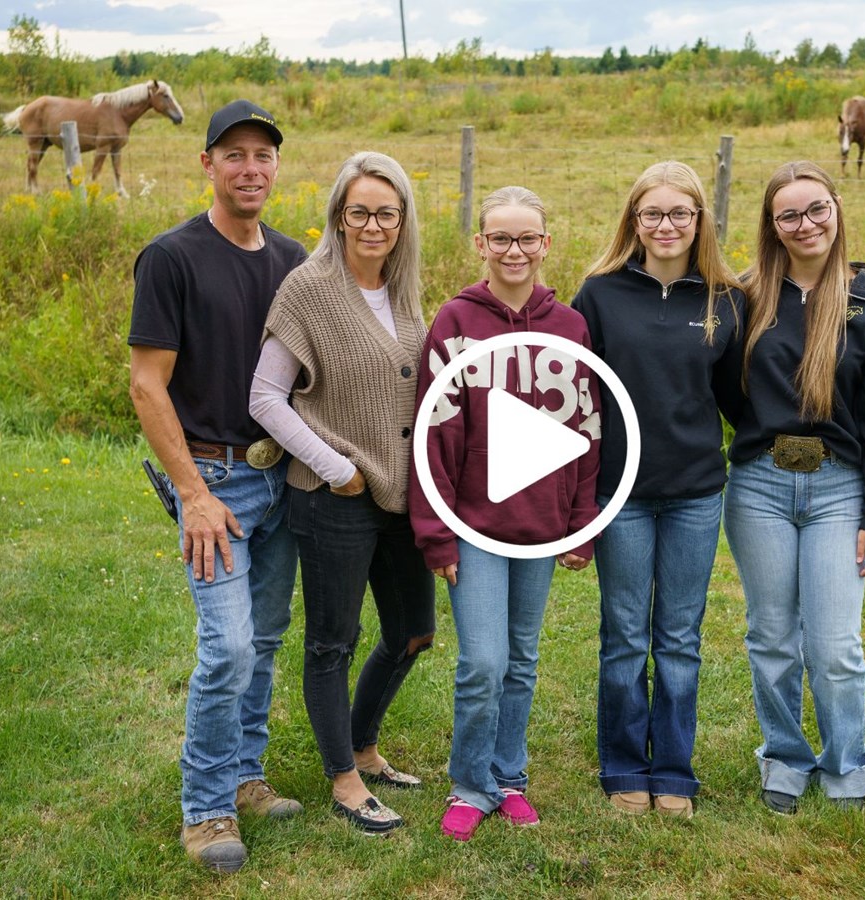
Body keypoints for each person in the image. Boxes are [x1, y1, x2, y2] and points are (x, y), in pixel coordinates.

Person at [127, 100, 306, 874]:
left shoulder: (294, 260)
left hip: (283, 479)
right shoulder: (171, 257)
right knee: (227, 645)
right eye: (233, 155)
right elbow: (145, 385)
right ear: (206, 164)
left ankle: (243, 773)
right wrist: (194, 493)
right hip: (218, 482)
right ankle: (204, 808)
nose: (250, 169)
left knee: (264, 640)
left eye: (262, 156)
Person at [248, 151, 434, 836]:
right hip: (334, 494)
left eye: (387, 212)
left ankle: (363, 744)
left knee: (413, 632)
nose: (373, 224)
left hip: (401, 492)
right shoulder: (309, 289)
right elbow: (266, 397)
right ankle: (345, 779)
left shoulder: (405, 287)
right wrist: (336, 467)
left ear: (402, 219)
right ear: (338, 215)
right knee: (333, 641)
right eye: (360, 211)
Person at [408, 186, 602, 842]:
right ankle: (469, 783)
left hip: (543, 525)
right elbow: (432, 435)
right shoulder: (455, 324)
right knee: (482, 662)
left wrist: (581, 522)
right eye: (500, 238)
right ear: (480, 244)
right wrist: (436, 534)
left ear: (546, 244)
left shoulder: (570, 327)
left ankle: (509, 777)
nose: (513, 250)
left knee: (521, 660)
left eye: (526, 238)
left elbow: (586, 429)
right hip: (474, 529)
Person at [721, 160, 865, 815]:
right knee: (771, 638)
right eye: (790, 215)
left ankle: (846, 762)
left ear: (836, 209)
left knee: (834, 646)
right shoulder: (745, 299)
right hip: (760, 489)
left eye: (817, 209)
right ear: (772, 226)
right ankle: (784, 757)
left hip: (839, 491)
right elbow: (724, 387)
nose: (807, 225)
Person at [570, 161, 743, 819]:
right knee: (622, 636)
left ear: (699, 221)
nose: (666, 226)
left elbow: (737, 401)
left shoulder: (724, 298)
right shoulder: (600, 293)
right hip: (623, 496)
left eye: (680, 214)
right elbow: (579, 401)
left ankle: (672, 770)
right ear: (633, 221)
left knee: (678, 636)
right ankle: (622, 767)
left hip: (696, 493)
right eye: (653, 214)